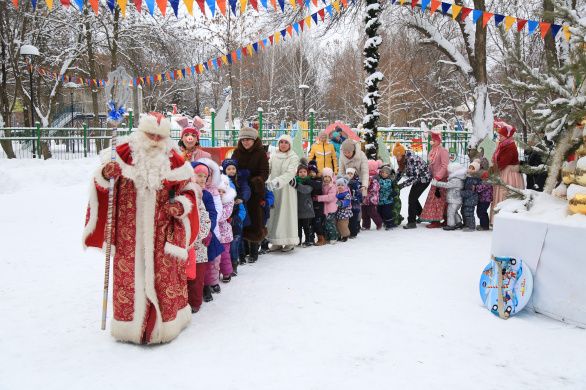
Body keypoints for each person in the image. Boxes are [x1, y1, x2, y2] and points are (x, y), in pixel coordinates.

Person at [83, 112, 199, 344]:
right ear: (140, 132)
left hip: (162, 233)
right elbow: (101, 186)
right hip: (129, 233)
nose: (155, 140)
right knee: (130, 279)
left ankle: (165, 325)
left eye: (160, 136)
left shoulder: (175, 159)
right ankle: (129, 327)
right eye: (150, 135)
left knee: (164, 278)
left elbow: (191, 190)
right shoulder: (121, 153)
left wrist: (180, 205)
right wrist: (107, 175)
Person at [231, 127, 270, 262]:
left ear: (254, 140)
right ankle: (243, 250)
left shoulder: (260, 153)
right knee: (242, 217)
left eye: (248, 140)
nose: (245, 142)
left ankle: (254, 249)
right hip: (240, 188)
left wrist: (257, 181)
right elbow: (232, 167)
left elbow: (265, 171)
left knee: (255, 217)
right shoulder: (236, 152)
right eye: (243, 140)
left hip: (255, 190)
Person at [192, 161, 224, 303]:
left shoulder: (207, 195)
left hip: (204, 234)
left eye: (205, 176)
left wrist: (207, 229)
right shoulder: (188, 192)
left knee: (205, 263)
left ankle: (206, 286)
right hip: (189, 234)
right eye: (199, 175)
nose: (202, 179)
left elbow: (212, 213)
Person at [266, 134, 300, 252]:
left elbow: (290, 173)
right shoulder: (274, 156)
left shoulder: (293, 157)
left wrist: (277, 181)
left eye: (286, 142)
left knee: (286, 214)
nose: (283, 145)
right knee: (275, 214)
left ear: (289, 144)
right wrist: (267, 179)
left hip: (287, 189)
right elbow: (268, 169)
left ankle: (289, 241)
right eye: (281, 142)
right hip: (274, 189)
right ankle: (276, 241)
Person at [491, 121, 525, 222]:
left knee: (504, 194)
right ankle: (498, 219)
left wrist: (492, 169)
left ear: (507, 136)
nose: (499, 137)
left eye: (501, 135)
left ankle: (505, 220)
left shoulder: (510, 146)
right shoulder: (502, 145)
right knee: (501, 193)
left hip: (508, 174)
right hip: (503, 172)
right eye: (499, 135)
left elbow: (503, 162)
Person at [393, 142, 431, 229]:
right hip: (418, 178)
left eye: (398, 156)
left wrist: (402, 185)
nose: (397, 158)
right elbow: (400, 171)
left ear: (402, 154)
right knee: (413, 198)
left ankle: (411, 222)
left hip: (424, 179)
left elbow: (414, 177)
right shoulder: (403, 159)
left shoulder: (412, 159)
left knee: (412, 199)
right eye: (395, 156)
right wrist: (394, 182)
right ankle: (422, 216)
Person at [420, 130, 449, 228]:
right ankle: (440, 219)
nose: (432, 141)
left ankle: (440, 220)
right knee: (436, 200)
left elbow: (445, 165)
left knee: (439, 200)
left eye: (435, 139)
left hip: (441, 179)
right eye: (432, 139)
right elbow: (431, 165)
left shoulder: (443, 150)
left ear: (439, 141)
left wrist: (438, 177)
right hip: (434, 179)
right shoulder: (432, 150)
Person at [431, 163, 466, 231]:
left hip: (454, 200)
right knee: (454, 212)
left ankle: (451, 225)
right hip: (456, 200)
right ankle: (459, 222)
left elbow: (447, 185)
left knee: (450, 212)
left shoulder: (455, 180)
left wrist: (436, 183)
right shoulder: (460, 179)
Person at [292, 160, 316, 247]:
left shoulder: (309, 181)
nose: (302, 173)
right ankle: (298, 240)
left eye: (304, 172)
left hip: (307, 208)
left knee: (307, 226)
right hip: (297, 209)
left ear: (307, 173)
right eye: (300, 172)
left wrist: (296, 185)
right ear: (297, 173)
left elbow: (306, 190)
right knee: (298, 227)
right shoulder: (295, 181)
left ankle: (308, 240)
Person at [217, 174, 236, 282]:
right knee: (216, 256)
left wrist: (215, 214)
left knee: (224, 255)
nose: (220, 194)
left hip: (225, 234)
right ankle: (216, 273)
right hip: (215, 233)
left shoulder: (228, 202)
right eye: (219, 191)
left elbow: (224, 215)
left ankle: (227, 272)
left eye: (223, 191)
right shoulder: (215, 201)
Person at [317, 168, 338, 244]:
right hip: (325, 208)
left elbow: (330, 197)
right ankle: (328, 237)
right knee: (325, 223)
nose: (326, 179)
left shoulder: (332, 186)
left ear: (331, 177)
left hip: (331, 208)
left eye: (328, 177)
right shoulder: (323, 185)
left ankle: (334, 237)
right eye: (324, 177)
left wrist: (318, 198)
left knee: (330, 223)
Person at [307, 160, 325, 246]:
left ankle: (321, 238)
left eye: (313, 172)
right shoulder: (308, 179)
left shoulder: (319, 179)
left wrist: (308, 181)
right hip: (310, 205)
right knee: (310, 222)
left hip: (318, 205)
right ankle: (310, 239)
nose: (311, 173)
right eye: (310, 172)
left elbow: (317, 186)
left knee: (317, 222)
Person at [361, 160, 382, 230]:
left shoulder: (375, 177)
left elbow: (376, 187)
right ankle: (366, 225)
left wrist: (369, 186)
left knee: (372, 212)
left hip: (372, 199)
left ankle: (379, 223)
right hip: (364, 198)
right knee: (364, 213)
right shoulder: (364, 175)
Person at [476, 159, 493, 231]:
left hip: (486, 200)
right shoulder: (484, 180)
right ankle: (483, 224)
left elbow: (481, 188)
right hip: (482, 199)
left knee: (482, 212)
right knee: (479, 211)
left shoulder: (487, 182)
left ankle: (485, 226)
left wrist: (476, 187)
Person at [345, 167, 362, 238]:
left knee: (354, 219)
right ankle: (349, 231)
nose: (349, 175)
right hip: (348, 204)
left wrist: (356, 199)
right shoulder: (344, 182)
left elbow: (359, 193)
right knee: (349, 219)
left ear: (354, 174)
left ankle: (354, 233)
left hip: (355, 204)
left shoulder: (356, 183)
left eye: (351, 173)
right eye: (348, 173)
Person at [377, 165, 396, 230]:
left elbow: (395, 189)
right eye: (383, 172)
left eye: (386, 173)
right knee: (380, 212)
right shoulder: (379, 179)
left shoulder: (391, 180)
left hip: (388, 200)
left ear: (389, 174)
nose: (384, 174)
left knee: (387, 212)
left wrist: (393, 193)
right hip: (380, 200)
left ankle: (390, 224)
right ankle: (384, 222)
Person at [334, 176, 353, 242]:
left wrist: (341, 203)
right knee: (337, 224)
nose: (340, 186)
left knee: (343, 224)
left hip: (345, 212)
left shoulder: (346, 193)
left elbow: (347, 201)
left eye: (342, 185)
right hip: (339, 212)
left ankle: (345, 235)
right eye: (338, 185)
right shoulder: (337, 193)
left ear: (345, 186)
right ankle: (339, 235)